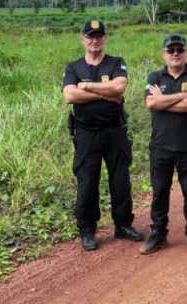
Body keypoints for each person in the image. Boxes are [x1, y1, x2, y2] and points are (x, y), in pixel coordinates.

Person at [62, 18, 144, 251]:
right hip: (86, 133)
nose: (95, 40)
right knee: (87, 181)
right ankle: (87, 229)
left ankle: (123, 224)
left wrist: (86, 87)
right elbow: (70, 96)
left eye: (99, 36)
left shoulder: (117, 63)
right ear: (82, 39)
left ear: (105, 38)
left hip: (114, 131)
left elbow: (118, 89)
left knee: (120, 179)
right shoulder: (73, 67)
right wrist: (105, 94)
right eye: (90, 36)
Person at [139, 34, 187, 255]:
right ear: (164, 53)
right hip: (161, 146)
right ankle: (158, 233)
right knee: (159, 192)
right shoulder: (154, 76)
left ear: (186, 52)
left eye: (180, 50)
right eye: (171, 50)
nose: (176, 54)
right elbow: (150, 103)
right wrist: (181, 95)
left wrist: (163, 101)